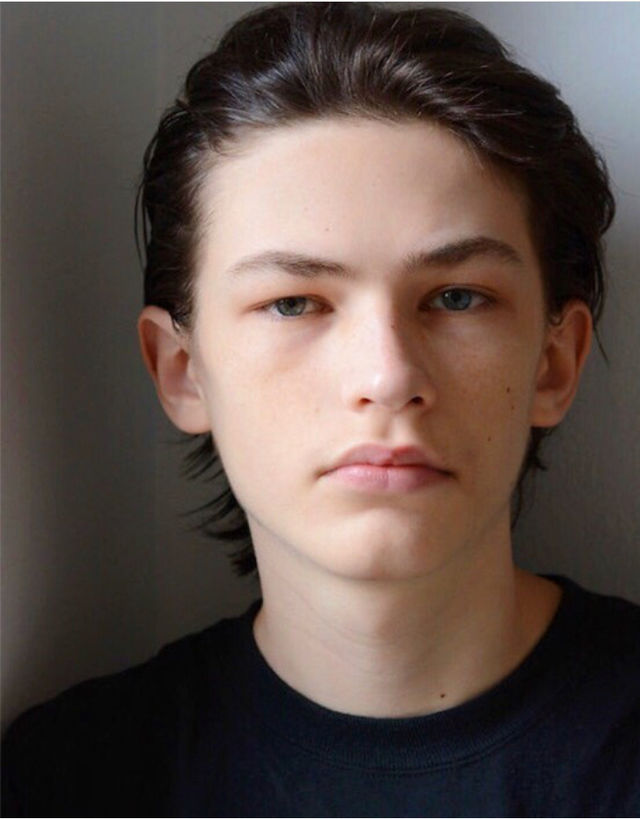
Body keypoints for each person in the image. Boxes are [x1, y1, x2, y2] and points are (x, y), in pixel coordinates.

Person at [3, 3, 639, 816]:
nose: (387, 375)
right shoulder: (68, 782)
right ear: (183, 372)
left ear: (555, 361)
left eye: (456, 296)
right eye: (294, 302)